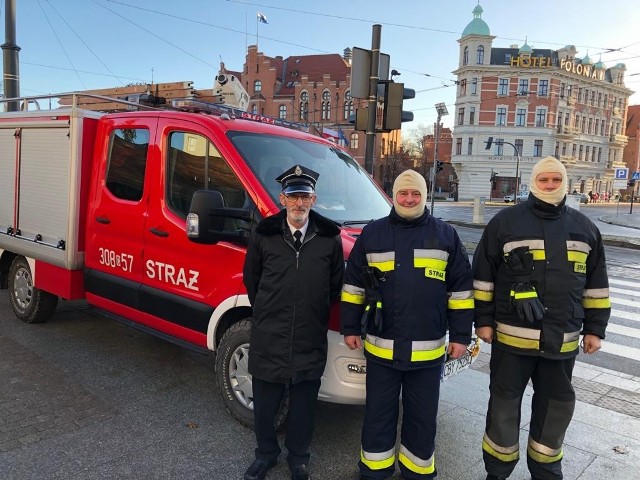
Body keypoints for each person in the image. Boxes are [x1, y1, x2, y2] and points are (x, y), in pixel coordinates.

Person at [472, 156, 611, 480]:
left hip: (560, 342)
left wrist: (595, 330)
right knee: (504, 407)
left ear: (564, 183)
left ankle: (547, 472)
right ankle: (497, 471)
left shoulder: (585, 228)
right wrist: (483, 322)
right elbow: (483, 277)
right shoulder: (505, 223)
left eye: (555, 180)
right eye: (544, 180)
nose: (549, 185)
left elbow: (597, 286)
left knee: (556, 409)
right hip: (511, 340)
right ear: (533, 182)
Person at [340, 169, 474, 480]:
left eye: (415, 194)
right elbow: (353, 286)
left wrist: (461, 336)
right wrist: (349, 327)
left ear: (424, 196)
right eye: (403, 193)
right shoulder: (373, 234)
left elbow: (461, 293)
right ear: (394, 195)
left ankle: (417, 472)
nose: (409, 199)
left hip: (427, 354)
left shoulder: (446, 235)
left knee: (422, 418)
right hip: (382, 348)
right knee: (378, 415)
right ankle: (375, 470)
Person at [242, 164, 344, 480]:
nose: (299, 203)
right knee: (265, 405)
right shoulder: (265, 233)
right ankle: (266, 454)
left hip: (308, 335)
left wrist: (312, 312)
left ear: (314, 200)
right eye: (293, 196)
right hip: (269, 333)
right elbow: (252, 280)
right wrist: (270, 312)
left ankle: (299, 458)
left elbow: (334, 285)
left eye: (305, 196)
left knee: (303, 407)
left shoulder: (329, 237)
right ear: (282, 199)